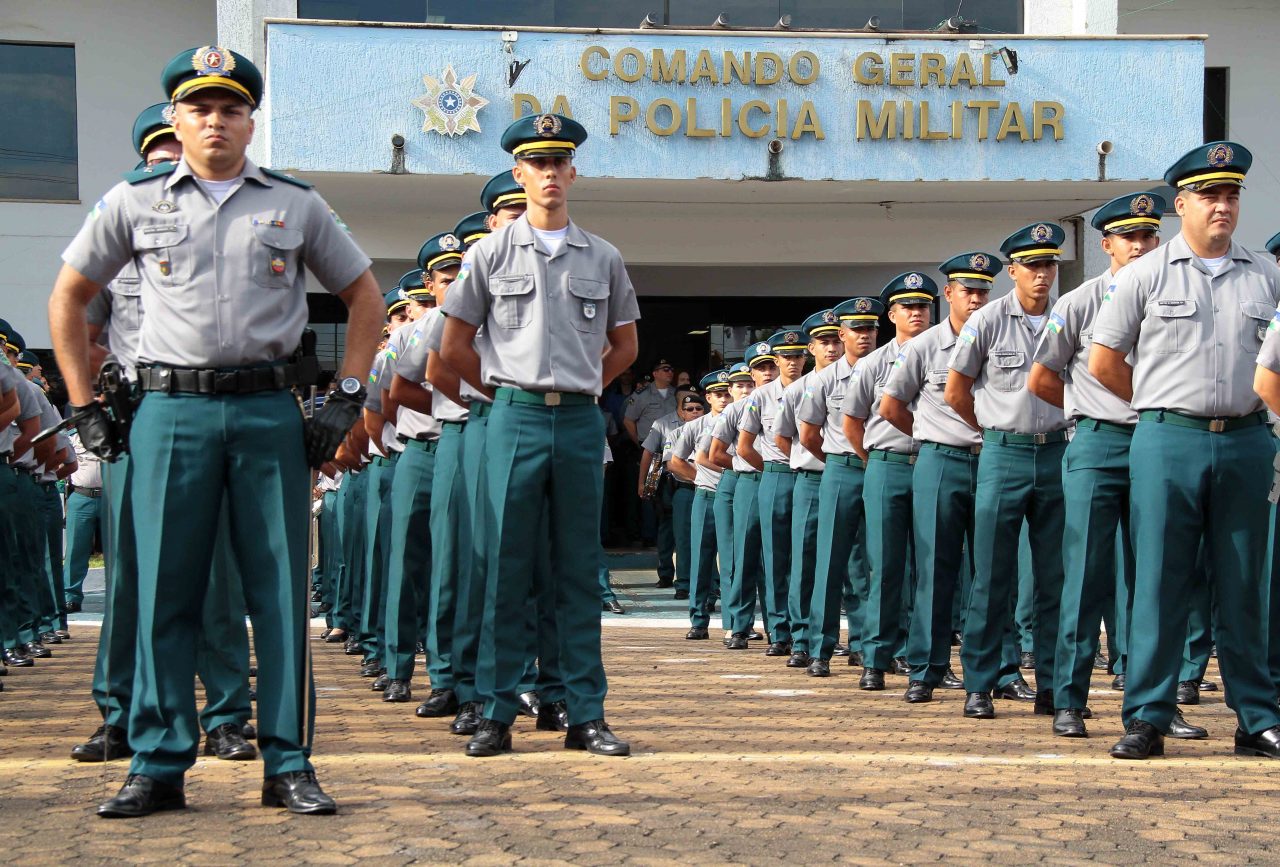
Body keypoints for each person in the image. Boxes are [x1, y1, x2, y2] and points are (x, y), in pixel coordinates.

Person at [49, 45, 383, 816]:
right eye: (199, 108)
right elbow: (69, 297)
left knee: (280, 591)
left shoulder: (295, 204)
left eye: (230, 109)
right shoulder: (132, 202)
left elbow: (364, 295)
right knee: (165, 585)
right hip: (168, 413)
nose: (215, 122)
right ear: (176, 118)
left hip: (269, 410)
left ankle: (288, 760)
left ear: (251, 122)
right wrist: (81, 405)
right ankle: (159, 759)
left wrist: (350, 392)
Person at [440, 113, 639, 759]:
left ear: (573, 172)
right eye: (538, 163)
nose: (550, 174)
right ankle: (496, 709)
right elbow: (452, 346)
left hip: (578, 421)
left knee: (579, 569)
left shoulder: (603, 255)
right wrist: (506, 390)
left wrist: (580, 382)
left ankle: (584, 712)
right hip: (514, 417)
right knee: (505, 567)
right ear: (519, 174)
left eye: (560, 162)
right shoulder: (490, 252)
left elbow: (625, 344)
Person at [1094, 141, 1280, 760]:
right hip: (1167, 440)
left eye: (1230, 195)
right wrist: (1155, 405)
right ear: (1182, 204)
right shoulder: (1146, 273)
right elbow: (1103, 360)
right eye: (1209, 195)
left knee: (1244, 580)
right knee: (1159, 580)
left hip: (1247, 440)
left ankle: (1255, 717)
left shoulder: (1267, 274)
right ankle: (1147, 713)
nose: (1222, 206)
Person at [1028, 192, 1206, 740]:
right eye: (1128, 236)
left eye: (1149, 235)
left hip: (1163, 444)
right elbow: (1042, 377)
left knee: (1155, 577)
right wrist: (1092, 407)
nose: (1140, 245)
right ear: (1105, 243)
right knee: (1084, 575)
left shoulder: (1180, 290)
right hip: (1099, 446)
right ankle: (1069, 699)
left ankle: (1152, 703)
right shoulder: (1079, 302)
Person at [946, 222, 1072, 720]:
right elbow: (956, 390)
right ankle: (980, 682)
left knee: (1054, 577)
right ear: (1013, 271)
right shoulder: (989, 320)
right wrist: (994, 430)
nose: (1042, 275)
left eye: (1049, 265)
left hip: (1058, 452)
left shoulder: (1069, 316)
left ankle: (1052, 684)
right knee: (992, 574)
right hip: (1004, 453)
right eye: (1033, 266)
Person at [880, 253, 998, 702]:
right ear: (947, 294)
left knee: (991, 569)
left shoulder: (1000, 335)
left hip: (992, 460)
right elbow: (891, 407)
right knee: (934, 569)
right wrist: (931, 438)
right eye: (967, 290)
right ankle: (926, 668)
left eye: (983, 290)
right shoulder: (923, 346)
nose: (976, 299)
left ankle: (999, 669)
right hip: (941, 461)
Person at [845, 275, 935, 690]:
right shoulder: (873, 363)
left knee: (932, 566)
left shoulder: (944, 351)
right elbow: (852, 422)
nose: (916, 313)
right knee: (885, 566)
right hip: (888, 463)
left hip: (935, 463)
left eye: (923, 306)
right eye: (907, 307)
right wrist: (874, 460)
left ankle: (924, 660)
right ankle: (876, 657)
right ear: (892, 315)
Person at [796, 297, 882, 675]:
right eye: (857, 330)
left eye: (870, 329)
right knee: (830, 561)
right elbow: (808, 435)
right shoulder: (822, 380)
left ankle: (868, 644)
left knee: (872, 564)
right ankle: (820, 648)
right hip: (842, 468)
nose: (864, 336)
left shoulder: (890, 370)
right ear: (843, 334)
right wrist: (839, 458)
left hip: (879, 470)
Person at [773, 311, 841, 668]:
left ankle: (859, 639)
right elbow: (784, 437)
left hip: (848, 477)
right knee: (806, 559)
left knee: (858, 562)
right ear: (811, 347)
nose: (831, 348)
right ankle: (802, 638)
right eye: (824, 342)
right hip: (813, 480)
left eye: (835, 341)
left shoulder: (857, 377)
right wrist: (810, 459)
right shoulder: (798, 389)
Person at [739, 330, 808, 658]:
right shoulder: (760, 396)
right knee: (776, 558)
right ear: (777, 360)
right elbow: (743, 446)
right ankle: (779, 632)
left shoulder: (815, 386)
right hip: (777, 475)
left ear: (804, 358)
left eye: (797, 357)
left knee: (808, 557)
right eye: (786, 357)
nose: (792, 363)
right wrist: (771, 471)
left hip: (810, 475)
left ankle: (807, 630)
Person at [710, 342, 778, 649]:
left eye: (770, 366)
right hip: (750, 481)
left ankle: (780, 628)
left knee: (779, 558)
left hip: (784, 481)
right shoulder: (737, 409)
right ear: (751, 373)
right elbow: (714, 453)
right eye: (760, 369)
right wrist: (747, 465)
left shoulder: (793, 396)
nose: (767, 373)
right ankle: (739, 626)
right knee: (744, 554)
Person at [670, 371, 732, 638]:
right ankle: (698, 620)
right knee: (700, 559)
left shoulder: (741, 420)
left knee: (731, 560)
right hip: (706, 496)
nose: (725, 399)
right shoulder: (695, 426)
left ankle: (735, 623)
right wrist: (701, 477)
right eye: (719, 394)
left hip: (733, 497)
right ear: (708, 397)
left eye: (728, 393)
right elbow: (676, 461)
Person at [626, 358, 678, 560]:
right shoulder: (642, 395)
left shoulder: (676, 394)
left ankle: (665, 535)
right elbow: (628, 420)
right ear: (655, 373)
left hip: (673, 451)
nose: (669, 372)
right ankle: (648, 535)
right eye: (665, 369)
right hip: (650, 449)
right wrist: (640, 443)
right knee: (648, 491)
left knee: (669, 492)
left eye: (671, 369)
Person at [62, 428, 103, 612]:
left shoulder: (113, 431)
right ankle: (71, 596)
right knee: (75, 551)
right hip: (81, 495)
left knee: (117, 550)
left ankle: (119, 596)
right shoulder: (71, 436)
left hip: (110, 496)